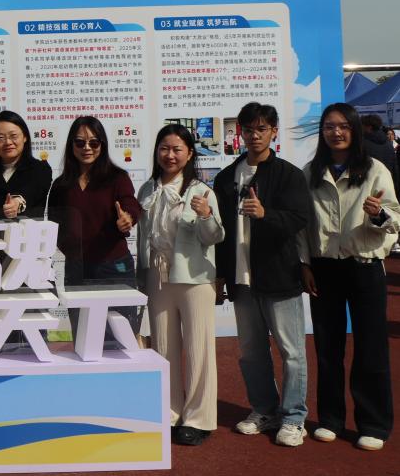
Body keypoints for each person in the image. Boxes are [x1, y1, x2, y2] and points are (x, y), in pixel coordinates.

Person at [213, 102, 311, 447]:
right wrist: (220, 276)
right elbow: (220, 233)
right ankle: (265, 410)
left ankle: (294, 417)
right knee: (251, 352)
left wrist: (266, 214)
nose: (254, 135)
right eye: (249, 129)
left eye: (262, 129)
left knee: (292, 353)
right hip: (241, 281)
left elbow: (299, 219)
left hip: (279, 277)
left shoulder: (288, 175)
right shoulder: (226, 177)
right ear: (239, 132)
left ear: (274, 132)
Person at [300, 103, 397, 451]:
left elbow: (395, 219)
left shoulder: (374, 170)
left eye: (343, 126)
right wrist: (304, 264)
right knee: (328, 347)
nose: (336, 132)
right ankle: (331, 419)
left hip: (364, 266)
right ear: (322, 132)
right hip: (324, 267)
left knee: (371, 347)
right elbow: (301, 226)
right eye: (329, 126)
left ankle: (373, 423)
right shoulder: (311, 172)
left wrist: (378, 214)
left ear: (354, 130)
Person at [136, 124, 223, 446]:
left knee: (199, 350)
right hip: (158, 277)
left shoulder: (201, 191)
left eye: (177, 149)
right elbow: (143, 236)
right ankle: (170, 412)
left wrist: (206, 216)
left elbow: (214, 237)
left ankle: (199, 419)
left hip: (194, 278)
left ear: (189, 154)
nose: (170, 155)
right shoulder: (147, 189)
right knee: (163, 348)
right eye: (164, 148)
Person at [49, 116, 143, 334]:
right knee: (83, 336)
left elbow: (130, 204)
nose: (87, 148)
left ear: (103, 144)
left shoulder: (117, 178)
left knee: (119, 338)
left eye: (94, 142)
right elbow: (54, 224)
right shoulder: (61, 185)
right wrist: (71, 250)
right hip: (77, 270)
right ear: (71, 145)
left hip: (113, 267)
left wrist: (128, 218)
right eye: (80, 142)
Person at [0, 110, 52, 221]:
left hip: (28, 231)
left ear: (25, 137)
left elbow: (31, 194)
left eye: (13, 136)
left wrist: (18, 203)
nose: (8, 142)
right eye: (0, 137)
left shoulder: (41, 169)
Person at [360, 113, 398, 193]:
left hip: (368, 187)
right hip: (387, 185)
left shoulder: (362, 144)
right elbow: (395, 168)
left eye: (362, 126)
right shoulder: (389, 144)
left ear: (369, 127)